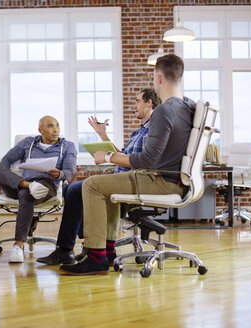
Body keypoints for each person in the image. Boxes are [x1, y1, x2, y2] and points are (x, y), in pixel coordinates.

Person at [60, 54, 195, 275]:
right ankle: (108, 251)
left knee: (92, 185)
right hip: (175, 179)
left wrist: (108, 157)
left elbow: (147, 160)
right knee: (106, 185)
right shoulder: (187, 106)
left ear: (158, 78)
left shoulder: (164, 110)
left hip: (160, 179)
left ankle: (96, 257)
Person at [36, 88, 160, 266]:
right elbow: (124, 155)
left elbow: (141, 161)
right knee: (71, 188)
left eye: (137, 101)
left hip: (134, 181)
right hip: (122, 177)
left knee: (81, 188)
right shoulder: (138, 132)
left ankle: (77, 249)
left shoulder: (153, 131)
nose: (134, 106)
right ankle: (79, 248)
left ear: (149, 103)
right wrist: (103, 135)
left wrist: (108, 157)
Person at [0, 116, 77, 263]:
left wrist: (59, 174)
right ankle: (26, 185)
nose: (55, 129)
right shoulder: (28, 143)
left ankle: (18, 245)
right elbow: (6, 160)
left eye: (57, 126)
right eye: (50, 126)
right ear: (40, 130)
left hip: (46, 185)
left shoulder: (67, 146)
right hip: (21, 183)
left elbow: (69, 172)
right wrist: (7, 175)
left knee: (27, 194)